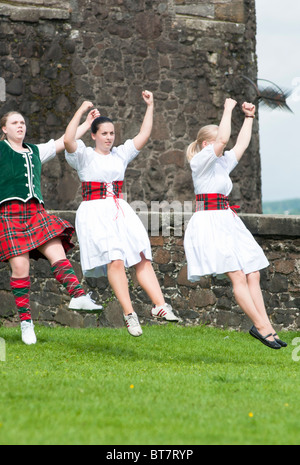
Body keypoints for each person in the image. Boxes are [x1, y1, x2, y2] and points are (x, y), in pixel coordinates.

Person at [64, 92, 179, 337]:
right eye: (104, 133)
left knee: (140, 255)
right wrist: (83, 115)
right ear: (94, 135)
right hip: (95, 212)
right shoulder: (84, 156)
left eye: (112, 133)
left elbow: (144, 135)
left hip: (120, 210)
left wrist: (150, 105)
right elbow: (68, 139)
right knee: (115, 259)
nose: (109, 137)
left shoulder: (120, 154)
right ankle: (129, 314)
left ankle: (159, 305)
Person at [184, 98, 287, 350]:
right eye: (219, 139)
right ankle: (261, 327)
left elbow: (240, 144)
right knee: (238, 275)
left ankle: (267, 327)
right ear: (207, 144)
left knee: (253, 271)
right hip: (210, 223)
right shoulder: (200, 163)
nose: (224, 142)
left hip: (228, 220)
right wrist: (228, 109)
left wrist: (249, 117)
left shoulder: (221, 163)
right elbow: (222, 140)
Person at [0, 110, 103, 345]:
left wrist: (86, 124)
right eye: (14, 123)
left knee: (57, 252)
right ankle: (26, 323)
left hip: (36, 213)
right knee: (20, 267)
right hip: (9, 214)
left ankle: (78, 295)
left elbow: (62, 141)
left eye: (23, 122)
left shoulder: (36, 151)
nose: (20, 126)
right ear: (4, 129)